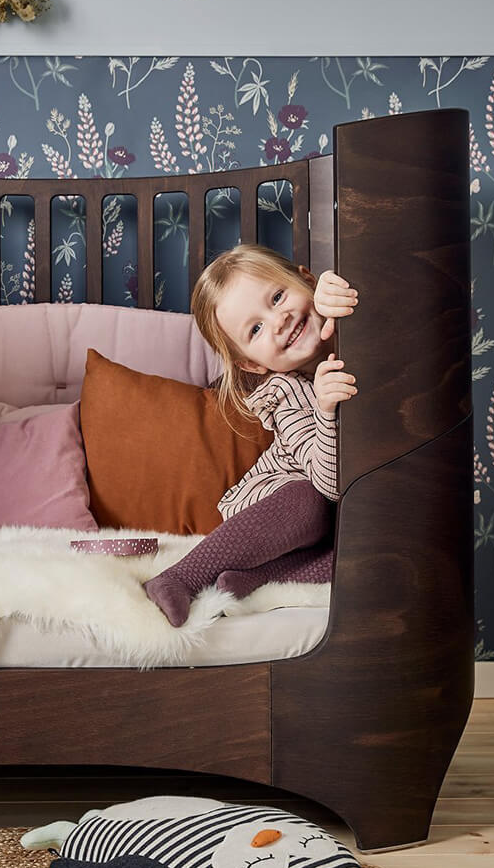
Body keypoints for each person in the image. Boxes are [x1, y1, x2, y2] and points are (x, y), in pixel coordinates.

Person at [143, 244, 358, 627]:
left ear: (306, 280)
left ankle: (253, 579)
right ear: (252, 364)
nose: (279, 320)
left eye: (277, 297)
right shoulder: (286, 394)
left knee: (367, 537)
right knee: (310, 503)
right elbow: (330, 486)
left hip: (325, 523)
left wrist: (336, 288)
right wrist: (326, 412)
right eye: (255, 329)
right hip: (273, 504)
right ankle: (179, 577)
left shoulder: (356, 339)